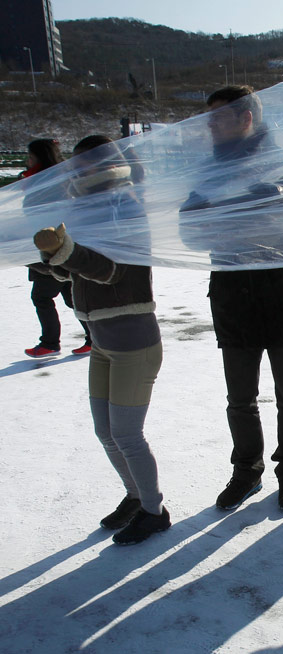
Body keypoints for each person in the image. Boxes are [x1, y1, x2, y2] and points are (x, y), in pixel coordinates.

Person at [180, 85, 283, 511]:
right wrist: (203, 215)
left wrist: (279, 205)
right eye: (208, 117)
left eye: (218, 117)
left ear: (245, 118)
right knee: (240, 397)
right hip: (235, 296)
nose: (210, 125)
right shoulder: (208, 173)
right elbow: (188, 235)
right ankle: (246, 471)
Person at [31, 135, 169, 545]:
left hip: (134, 341)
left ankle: (153, 511)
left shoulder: (126, 206)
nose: (74, 170)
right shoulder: (85, 207)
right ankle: (135, 496)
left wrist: (65, 252)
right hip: (102, 340)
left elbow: (113, 272)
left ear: (104, 165)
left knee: (127, 434)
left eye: (82, 164)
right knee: (105, 432)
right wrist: (52, 257)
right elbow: (75, 272)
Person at [21, 138, 92, 357]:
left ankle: (51, 343)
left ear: (40, 157)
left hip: (52, 249)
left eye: (31, 156)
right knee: (71, 298)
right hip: (52, 249)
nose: (27, 160)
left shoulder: (47, 182)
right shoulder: (51, 179)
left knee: (42, 297)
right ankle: (94, 338)